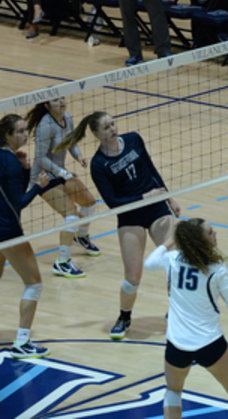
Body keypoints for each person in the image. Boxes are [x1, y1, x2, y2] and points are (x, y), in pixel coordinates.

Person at [55, 111, 179, 339]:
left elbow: (151, 169)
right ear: (96, 134)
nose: (112, 129)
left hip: (156, 208)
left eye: (113, 124)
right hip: (130, 216)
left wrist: (169, 198)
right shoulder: (99, 164)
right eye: (106, 127)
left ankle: (176, 311)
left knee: (176, 262)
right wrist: (144, 197)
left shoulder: (133, 139)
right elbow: (113, 202)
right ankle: (124, 317)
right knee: (133, 277)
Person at [144, 218, 228, 419]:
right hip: (210, 343)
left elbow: (149, 263)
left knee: (173, 391)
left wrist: (170, 240)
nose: (215, 233)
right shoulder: (217, 269)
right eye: (210, 232)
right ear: (199, 241)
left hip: (177, 344)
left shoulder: (172, 259)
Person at [26, 97, 100, 279]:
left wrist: (78, 156)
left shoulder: (67, 118)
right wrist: (62, 173)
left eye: (62, 98)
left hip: (60, 172)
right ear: (47, 105)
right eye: (55, 100)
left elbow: (70, 142)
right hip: (43, 177)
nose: (61, 102)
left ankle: (81, 236)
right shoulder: (45, 126)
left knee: (90, 203)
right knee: (71, 214)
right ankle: (62, 262)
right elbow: (40, 159)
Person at [0, 114, 50, 358]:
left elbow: (10, 193)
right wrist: (38, 186)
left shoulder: (7, 159)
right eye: (19, 131)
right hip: (7, 232)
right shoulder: (9, 163)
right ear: (7, 135)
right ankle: (22, 341)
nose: (25, 135)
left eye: (25, 130)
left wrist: (25, 170)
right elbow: (18, 202)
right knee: (34, 283)